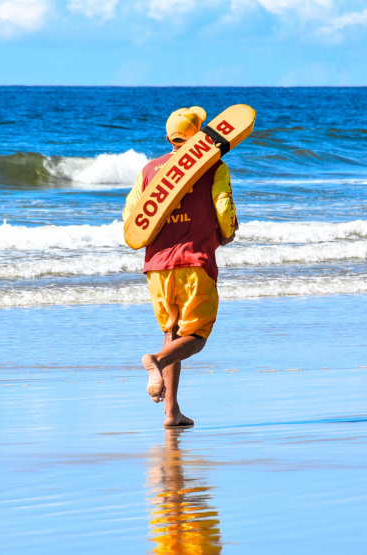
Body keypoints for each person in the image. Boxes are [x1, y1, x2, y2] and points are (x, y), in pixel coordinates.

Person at [122, 106, 238, 428]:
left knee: (171, 333)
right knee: (197, 336)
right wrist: (228, 231)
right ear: (200, 136)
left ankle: (171, 413)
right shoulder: (214, 166)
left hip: (157, 267)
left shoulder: (149, 170)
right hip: (194, 261)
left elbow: (131, 217)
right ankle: (156, 360)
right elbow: (223, 206)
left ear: (169, 137)